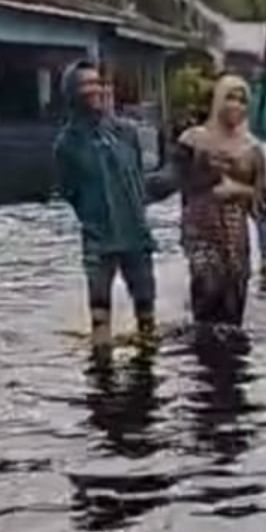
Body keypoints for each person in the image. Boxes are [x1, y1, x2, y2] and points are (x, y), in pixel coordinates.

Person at [54, 60, 174, 346]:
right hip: (99, 237)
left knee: (146, 315)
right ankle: (101, 378)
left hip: (135, 233)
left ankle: (145, 376)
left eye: (97, 83)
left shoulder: (126, 132)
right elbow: (68, 190)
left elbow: (138, 177)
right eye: (86, 84)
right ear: (72, 93)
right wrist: (93, 213)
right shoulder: (67, 143)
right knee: (100, 320)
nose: (95, 89)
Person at [175, 75, 266, 327]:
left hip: (235, 233)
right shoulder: (192, 139)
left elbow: (264, 200)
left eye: (242, 100)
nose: (236, 106)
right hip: (201, 227)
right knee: (207, 288)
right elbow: (179, 184)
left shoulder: (253, 148)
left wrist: (238, 190)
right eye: (230, 98)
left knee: (233, 299)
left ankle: (231, 361)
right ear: (217, 100)